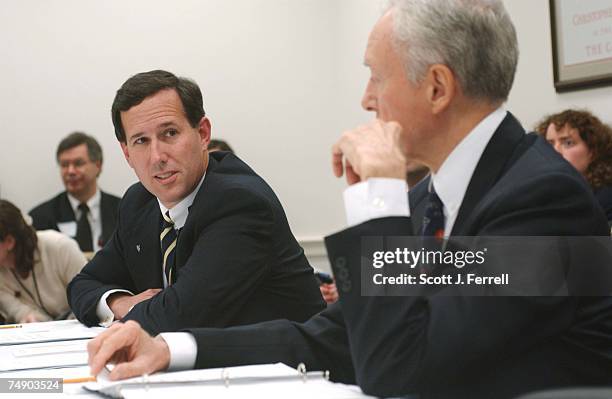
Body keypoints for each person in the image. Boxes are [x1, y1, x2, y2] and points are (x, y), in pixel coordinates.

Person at [86, 1, 612, 398]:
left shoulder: (541, 198)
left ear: (437, 88)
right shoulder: (437, 193)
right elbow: (335, 337)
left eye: (375, 76)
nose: (366, 99)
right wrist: (172, 349)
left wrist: (379, 202)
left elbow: (399, 369)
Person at [68, 70, 325, 336]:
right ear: (127, 153)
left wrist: (134, 313)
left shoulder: (239, 202)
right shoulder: (139, 203)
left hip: (287, 370)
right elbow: (83, 284)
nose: (157, 156)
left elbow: (179, 317)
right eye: (141, 141)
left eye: (169, 133)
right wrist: (118, 303)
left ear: (203, 134)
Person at [29, 132, 121, 253]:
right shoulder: (40, 218)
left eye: (78, 163)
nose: (70, 171)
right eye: (64, 165)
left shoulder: (123, 210)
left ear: (98, 165)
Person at [0, 200, 86, 323]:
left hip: (82, 325)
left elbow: (89, 294)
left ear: (9, 242)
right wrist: (29, 319)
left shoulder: (59, 246)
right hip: (41, 336)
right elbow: (20, 313)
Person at [535, 109, 612, 222]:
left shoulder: (606, 198)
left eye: (568, 143)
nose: (556, 151)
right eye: (549, 144)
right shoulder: (541, 192)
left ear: (593, 150)